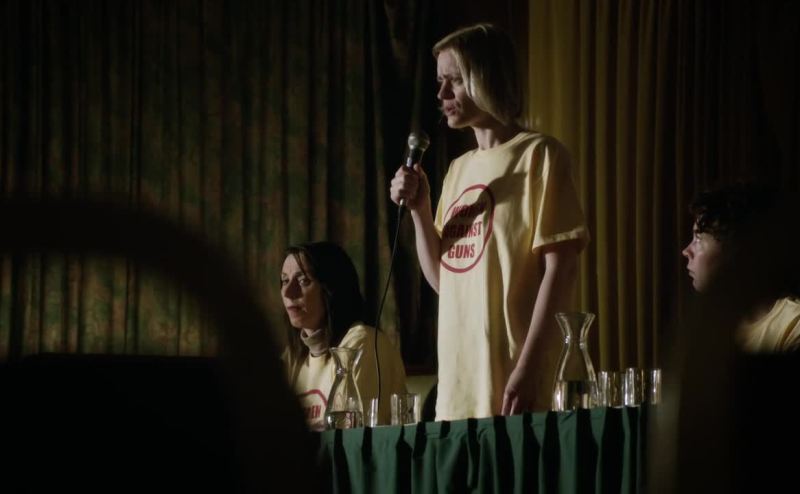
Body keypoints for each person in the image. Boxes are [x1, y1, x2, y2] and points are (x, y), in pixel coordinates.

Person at [389, 24, 589, 420]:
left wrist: (528, 368)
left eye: (454, 81)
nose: (441, 94)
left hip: (515, 383)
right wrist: (420, 210)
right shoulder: (458, 169)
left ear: (486, 78)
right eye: (439, 82)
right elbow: (444, 281)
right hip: (457, 391)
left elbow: (561, 271)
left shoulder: (540, 156)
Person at [280, 241, 407, 430]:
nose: (288, 293)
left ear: (331, 289)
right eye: (284, 281)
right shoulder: (293, 357)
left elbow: (352, 434)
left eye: (303, 281)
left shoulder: (362, 343)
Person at [681, 182, 800, 352]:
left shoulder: (792, 326)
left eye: (698, 239)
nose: (686, 251)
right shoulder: (711, 322)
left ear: (735, 250)